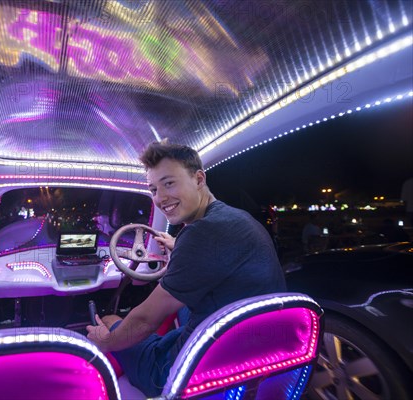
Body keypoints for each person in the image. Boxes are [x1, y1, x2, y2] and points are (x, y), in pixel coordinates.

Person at [86, 141, 286, 396]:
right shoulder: (239, 219)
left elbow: (145, 320)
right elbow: (209, 258)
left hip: (190, 371)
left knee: (113, 321)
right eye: (154, 189)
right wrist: (177, 246)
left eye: (169, 183)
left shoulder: (201, 234)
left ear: (199, 178)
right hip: (248, 355)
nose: (160, 198)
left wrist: (105, 341)